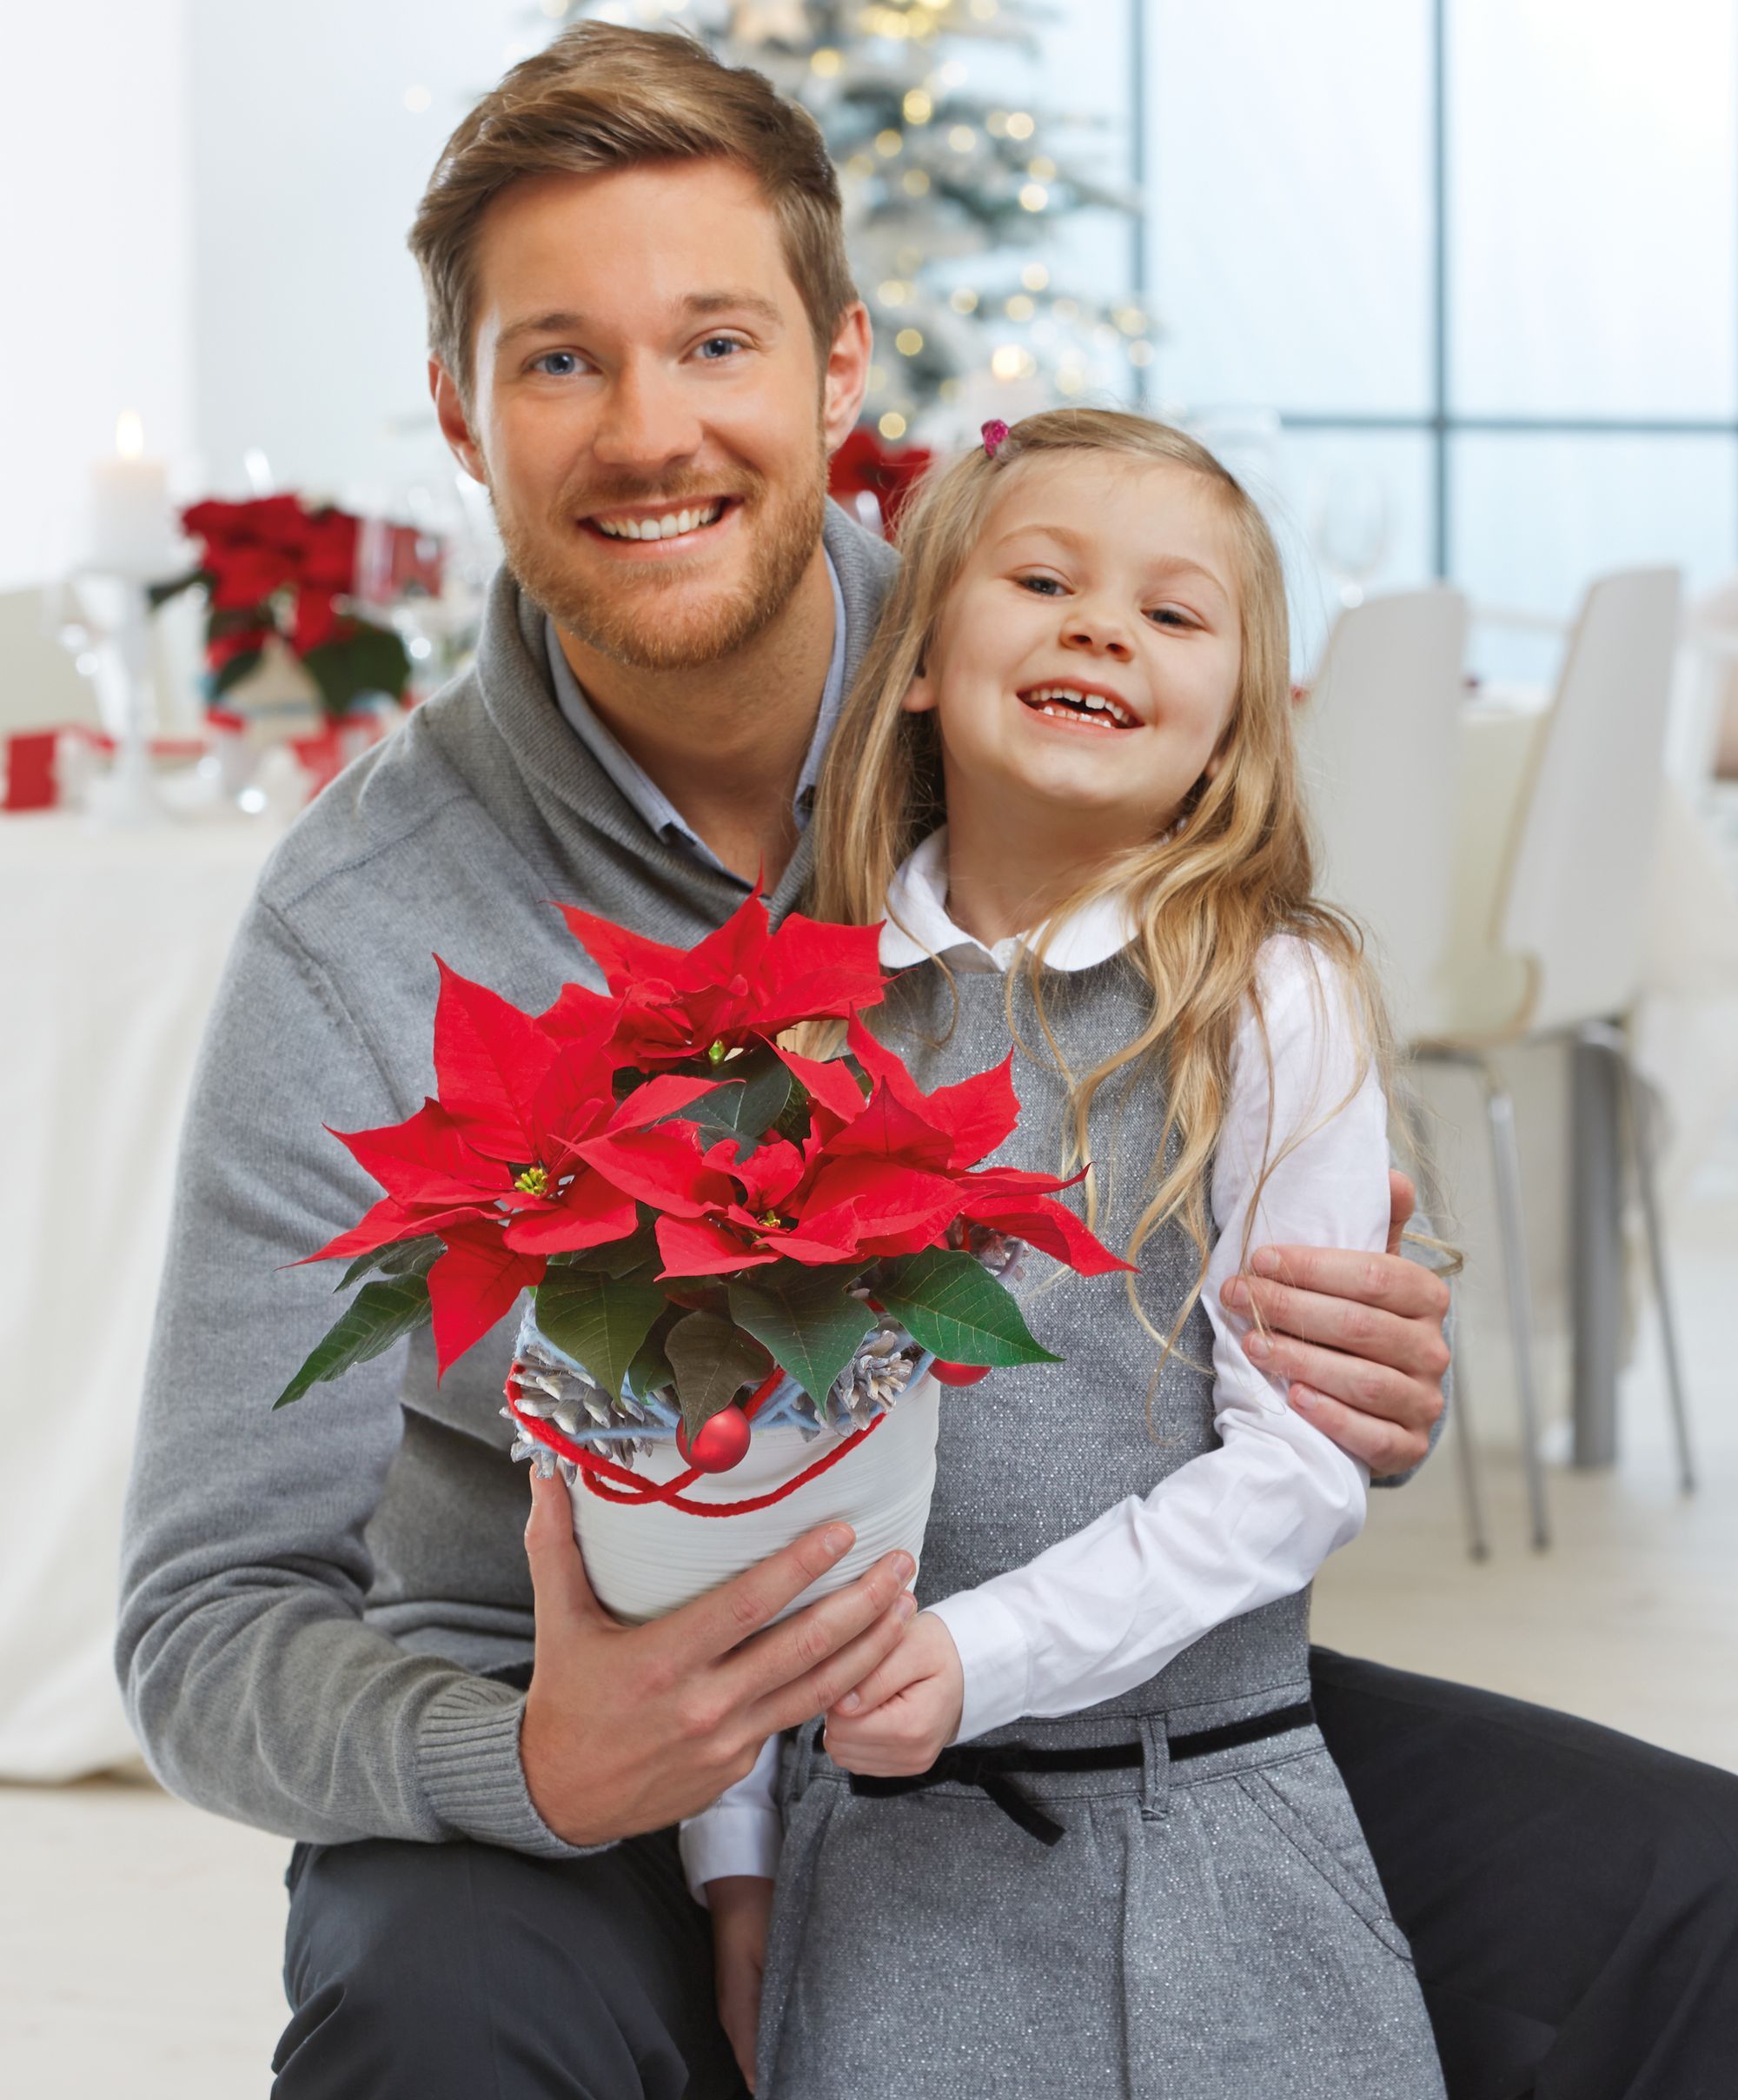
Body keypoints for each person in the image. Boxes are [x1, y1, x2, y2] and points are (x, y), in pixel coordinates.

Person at [113, 23, 1737, 2100]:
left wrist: (1371, 1315)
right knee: (442, 2021)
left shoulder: (1065, 681)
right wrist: (525, 1752)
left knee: (1687, 1892)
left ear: (837, 366)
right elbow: (205, 1617)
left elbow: (1254, 1092)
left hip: (1044, 1694)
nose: (646, 430)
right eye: (556, 360)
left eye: (714, 341)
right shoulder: (351, 933)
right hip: (599, 1743)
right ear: (458, 412)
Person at [684, 406, 1447, 2099]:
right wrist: (733, 1858)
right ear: (914, 668)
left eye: (1175, 613)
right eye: (1043, 579)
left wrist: (980, 1656)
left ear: (1235, 720)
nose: (1104, 624)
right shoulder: (796, 1021)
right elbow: (734, 1482)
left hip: (1209, 1834)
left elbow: (1301, 1462)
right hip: (877, 1873)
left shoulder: (1276, 998)